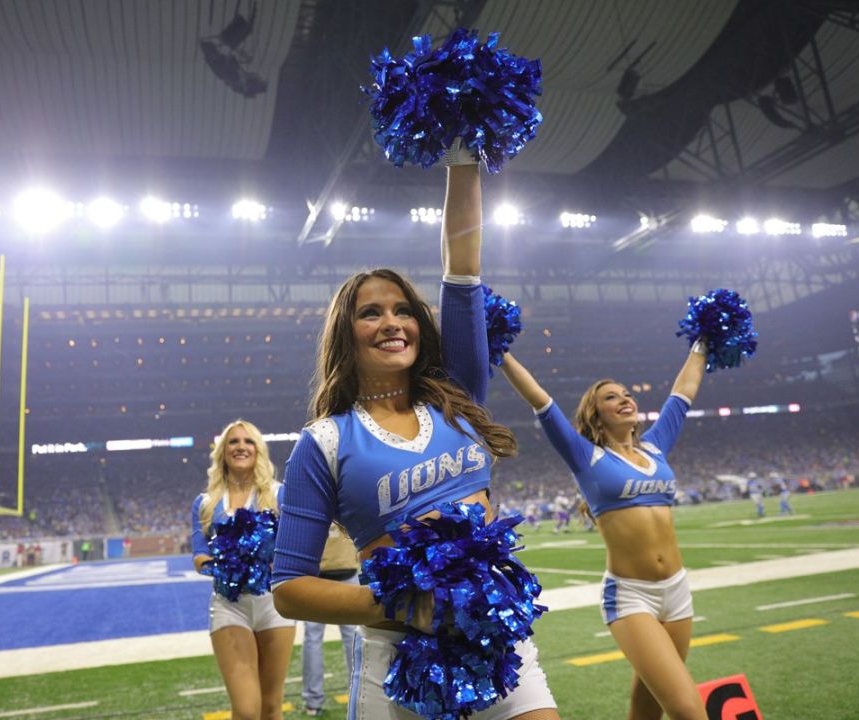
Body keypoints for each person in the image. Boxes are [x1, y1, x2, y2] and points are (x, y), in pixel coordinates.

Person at [272, 147, 561, 719]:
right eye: (370, 312)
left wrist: (461, 155)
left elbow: (463, 266)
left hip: (495, 642)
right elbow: (288, 588)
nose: (391, 322)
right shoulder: (325, 441)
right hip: (396, 661)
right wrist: (404, 607)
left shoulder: (458, 394)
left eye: (403, 309)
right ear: (345, 335)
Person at [498, 340, 708, 720]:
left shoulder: (656, 447)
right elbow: (540, 400)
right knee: (687, 710)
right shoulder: (585, 455)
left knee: (646, 707)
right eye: (612, 397)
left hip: (677, 590)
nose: (625, 399)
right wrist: (501, 352)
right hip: (631, 597)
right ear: (596, 413)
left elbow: (684, 392)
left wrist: (703, 341)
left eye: (627, 394)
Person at [190, 420, 295, 720]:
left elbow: (291, 545)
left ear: (258, 450)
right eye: (233, 442)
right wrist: (225, 565)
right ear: (223, 452)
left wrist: (274, 563)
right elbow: (199, 554)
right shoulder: (206, 503)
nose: (241, 447)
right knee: (248, 710)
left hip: (274, 605)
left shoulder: (278, 495)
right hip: (228, 606)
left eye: (248, 441)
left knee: (271, 706)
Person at [301, 524, 361, 717]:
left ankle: (312, 701)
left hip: (317, 575)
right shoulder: (348, 497)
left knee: (312, 639)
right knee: (352, 641)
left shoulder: (314, 498)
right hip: (346, 573)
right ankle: (356, 695)